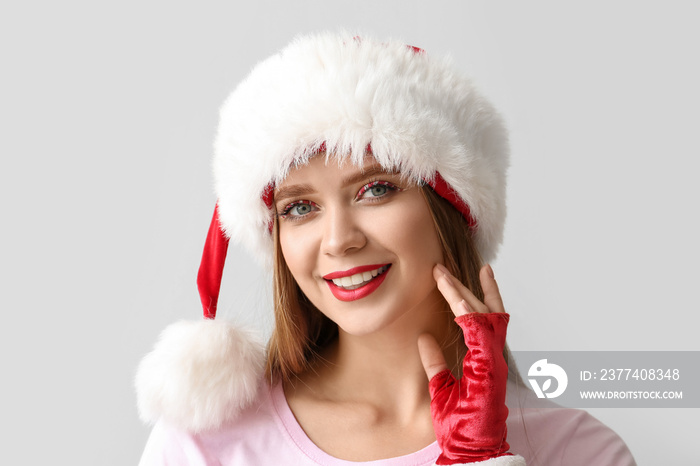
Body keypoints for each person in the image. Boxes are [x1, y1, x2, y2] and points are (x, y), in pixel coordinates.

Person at [136, 32, 636, 465]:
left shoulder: (579, 450)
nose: (338, 240)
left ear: (452, 210)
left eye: (376, 189)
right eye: (298, 208)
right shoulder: (206, 441)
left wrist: (480, 457)